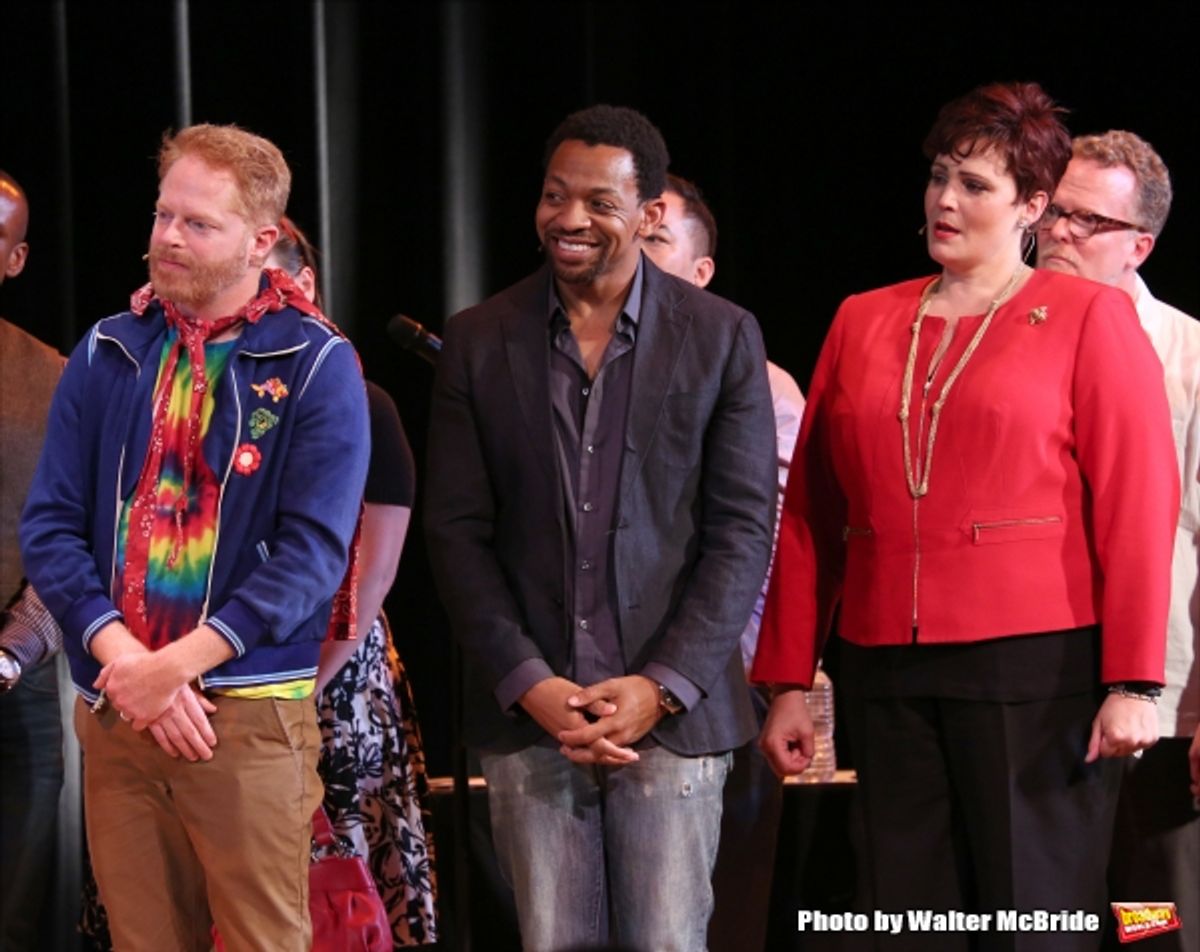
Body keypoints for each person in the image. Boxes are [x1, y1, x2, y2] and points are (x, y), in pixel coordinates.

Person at [753, 82, 1178, 952]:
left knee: (1032, 917)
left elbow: (1139, 503)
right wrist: (789, 679)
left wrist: (1135, 681)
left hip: (1035, 670)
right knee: (910, 919)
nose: (946, 200)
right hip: (887, 668)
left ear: (1031, 205)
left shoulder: (1088, 318)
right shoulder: (863, 318)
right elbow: (810, 514)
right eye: (940, 177)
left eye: (975, 185)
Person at [425, 104, 777, 952]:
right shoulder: (480, 338)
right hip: (532, 718)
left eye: (598, 202)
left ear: (651, 213)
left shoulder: (722, 336)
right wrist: (528, 680)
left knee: (665, 941)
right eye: (554, 196)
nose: (569, 219)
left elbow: (742, 529)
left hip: (671, 720)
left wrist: (658, 686)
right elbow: (456, 531)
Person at [19, 125, 370, 951]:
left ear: (262, 240)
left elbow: (312, 556)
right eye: (163, 215)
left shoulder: (318, 364)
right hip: (118, 710)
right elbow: (51, 525)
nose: (169, 237)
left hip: (245, 719)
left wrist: (174, 669)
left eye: (198, 224)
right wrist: (127, 664)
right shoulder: (109, 349)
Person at [1037, 130, 1199, 952]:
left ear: (1140, 245)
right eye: (1053, 212)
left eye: (1086, 221)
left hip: (1156, 709)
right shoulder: (1002, 335)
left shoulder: (1187, 355)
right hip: (1031, 688)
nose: (1058, 232)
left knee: (1150, 918)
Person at [643, 171, 804, 952]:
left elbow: (777, 549)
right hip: (594, 688)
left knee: (722, 908)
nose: (633, 254)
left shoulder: (762, 387)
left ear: (702, 273)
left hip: (731, 692)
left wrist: (781, 686)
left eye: (656, 239)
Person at [267, 218, 438, 946]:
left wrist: (291, 691)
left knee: (335, 901)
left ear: (302, 285)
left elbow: (369, 581)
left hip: (328, 686)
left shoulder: (363, 402)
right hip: (217, 686)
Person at [0, 169, 69, 952]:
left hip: (17, 682)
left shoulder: (50, 376)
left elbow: (71, 536)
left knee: (14, 918)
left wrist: (13, 653)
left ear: (16, 260)